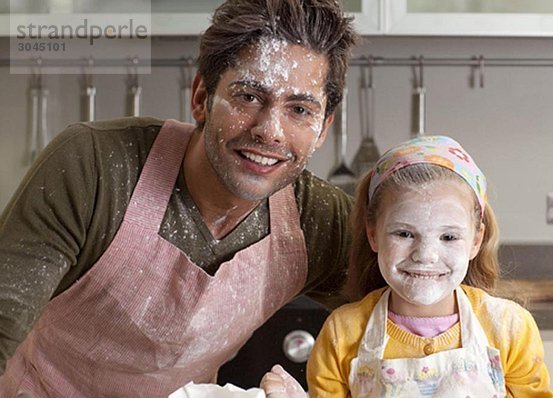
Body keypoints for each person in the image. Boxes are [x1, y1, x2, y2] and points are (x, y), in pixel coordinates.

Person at [0, 0, 359, 396]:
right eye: (249, 97)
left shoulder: (319, 219)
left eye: (299, 109)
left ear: (323, 128)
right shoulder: (95, 168)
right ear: (202, 97)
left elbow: (418, 319)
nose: (270, 132)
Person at [261, 135, 553, 397]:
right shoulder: (343, 333)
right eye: (405, 233)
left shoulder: (508, 328)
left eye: (449, 237)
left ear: (475, 241)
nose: (425, 255)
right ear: (373, 234)